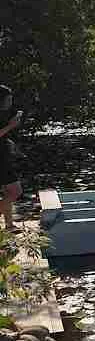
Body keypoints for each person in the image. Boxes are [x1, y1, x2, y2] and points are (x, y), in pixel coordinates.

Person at [0, 85, 23, 232]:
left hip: (4, 157)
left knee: (8, 193)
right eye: (8, 99)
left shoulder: (3, 113)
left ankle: (9, 226)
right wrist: (11, 125)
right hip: (0, 161)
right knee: (15, 191)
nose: (11, 101)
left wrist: (11, 144)